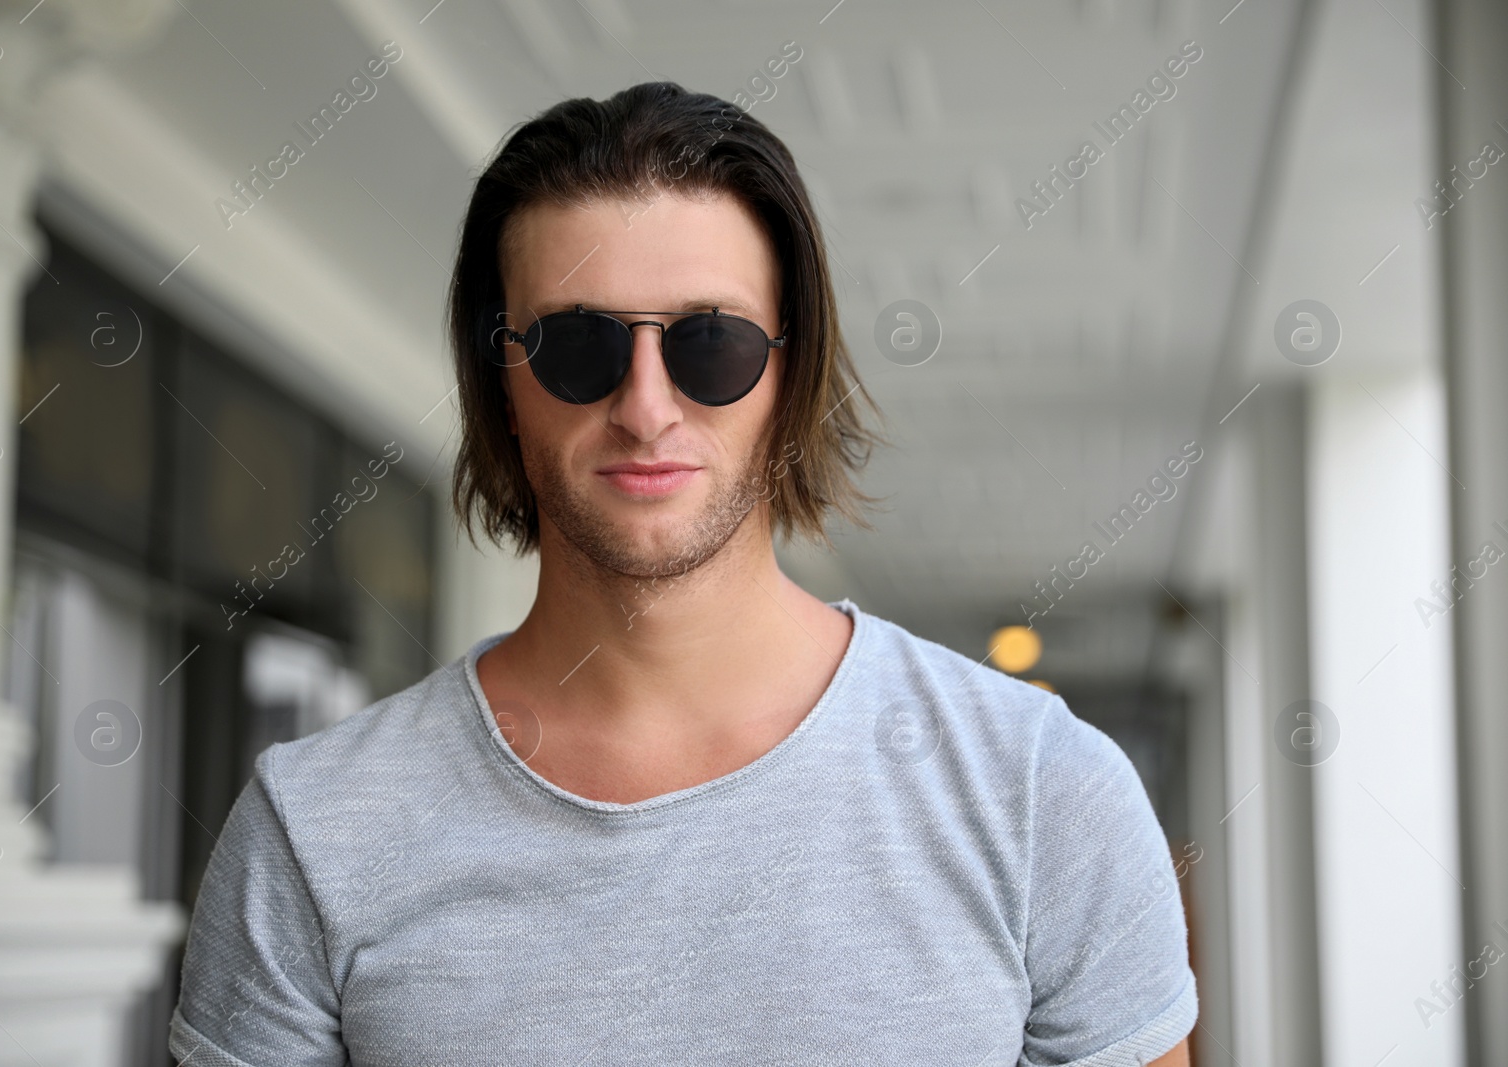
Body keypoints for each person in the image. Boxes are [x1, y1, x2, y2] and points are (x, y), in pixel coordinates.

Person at [170, 81, 1196, 1066]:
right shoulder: (310, 832)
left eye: (711, 343)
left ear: (788, 372)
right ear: (503, 380)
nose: (646, 406)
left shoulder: (1042, 791)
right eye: (579, 346)